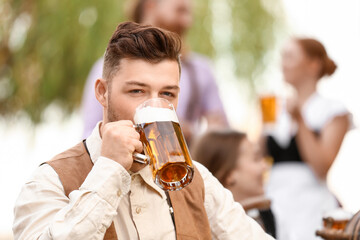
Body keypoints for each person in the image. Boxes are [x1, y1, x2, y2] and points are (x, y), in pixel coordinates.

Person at [13, 22, 273, 240]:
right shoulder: (50, 181)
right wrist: (110, 169)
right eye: (137, 91)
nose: (155, 106)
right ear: (102, 93)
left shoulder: (197, 180)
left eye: (167, 94)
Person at [81, 0, 228, 145]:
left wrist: (189, 135)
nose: (188, 20)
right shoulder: (107, 67)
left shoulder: (200, 70)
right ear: (150, 4)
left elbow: (222, 134)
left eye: (168, 94)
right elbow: (90, 135)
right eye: (136, 91)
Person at [262, 37, 353, 240]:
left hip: (309, 207)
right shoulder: (276, 109)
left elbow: (321, 166)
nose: (283, 63)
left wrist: (300, 120)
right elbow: (262, 159)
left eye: (290, 57)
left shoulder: (333, 111)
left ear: (313, 65)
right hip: (274, 203)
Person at [192, 129, 276, 238]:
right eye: (256, 159)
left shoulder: (267, 216)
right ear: (229, 175)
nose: (264, 166)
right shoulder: (204, 231)